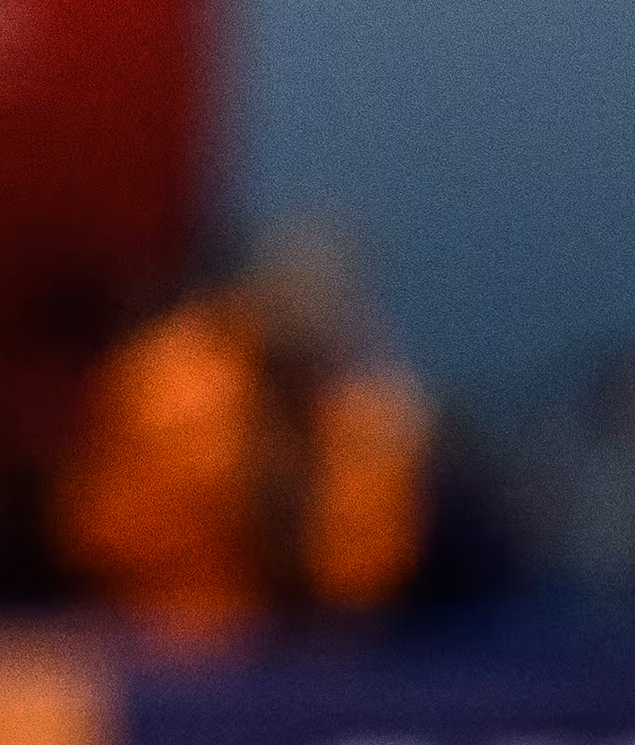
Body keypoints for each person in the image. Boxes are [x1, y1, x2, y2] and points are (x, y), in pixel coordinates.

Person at [52, 222, 430, 641]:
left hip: (314, 644)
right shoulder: (171, 387)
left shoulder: (365, 414)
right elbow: (97, 528)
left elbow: (363, 577)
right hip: (165, 629)